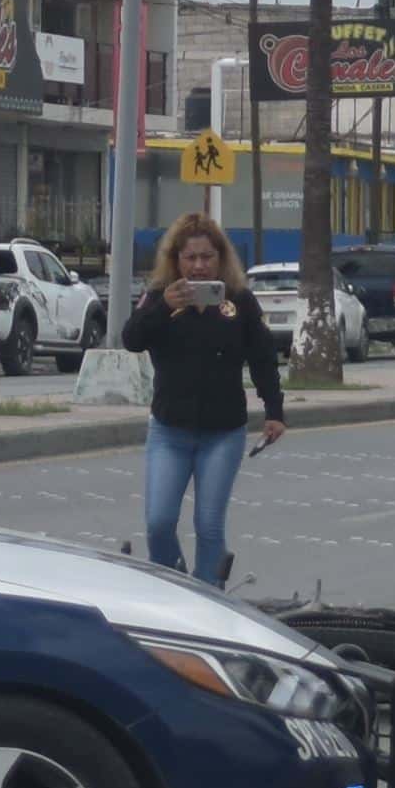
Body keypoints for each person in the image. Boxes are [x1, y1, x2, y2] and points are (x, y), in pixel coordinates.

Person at [118, 213, 288, 588]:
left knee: (209, 524)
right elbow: (131, 339)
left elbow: (262, 357)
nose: (198, 265)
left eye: (207, 257)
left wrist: (274, 411)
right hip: (169, 430)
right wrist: (163, 305)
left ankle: (210, 597)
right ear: (176, 259)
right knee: (159, 522)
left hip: (222, 433)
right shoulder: (159, 295)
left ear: (220, 258)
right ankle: (176, 587)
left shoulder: (239, 300)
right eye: (190, 257)